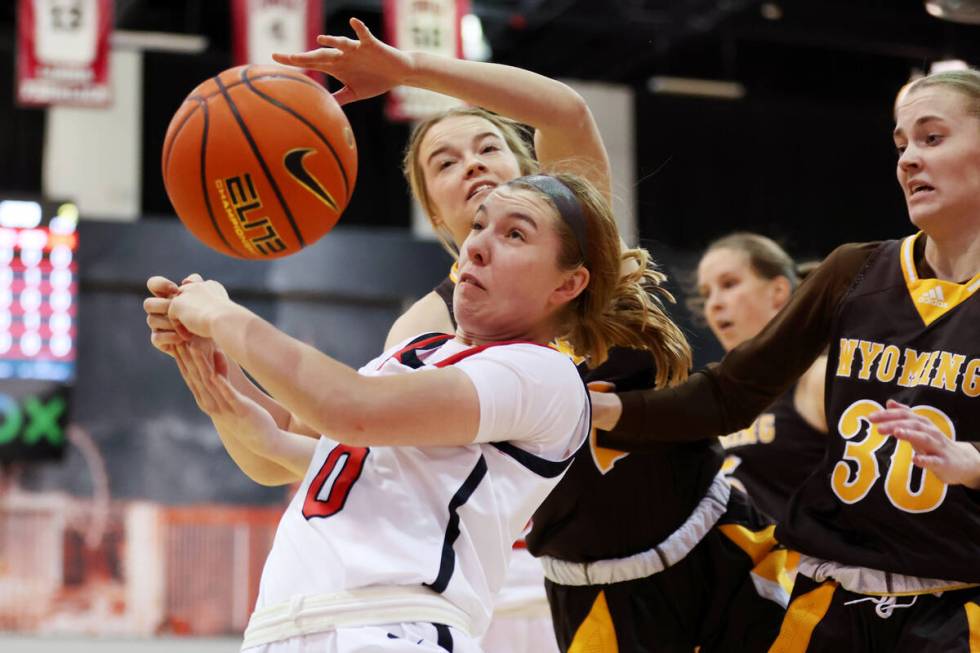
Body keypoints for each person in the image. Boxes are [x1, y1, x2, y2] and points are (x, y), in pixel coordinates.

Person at [148, 172, 690, 653]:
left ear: (567, 284)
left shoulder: (541, 375)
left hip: (394, 627)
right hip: (281, 625)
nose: (476, 247)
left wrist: (223, 316)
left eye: (515, 234)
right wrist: (215, 374)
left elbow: (348, 409)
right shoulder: (416, 352)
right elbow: (285, 446)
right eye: (480, 225)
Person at [591, 69, 980, 652]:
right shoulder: (854, 271)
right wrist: (600, 409)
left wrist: (972, 462)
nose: (907, 161)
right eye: (900, 145)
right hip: (829, 602)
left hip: (957, 609)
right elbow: (729, 393)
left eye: (931, 138)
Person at [695, 233, 827, 524]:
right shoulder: (716, 394)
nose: (714, 304)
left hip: (806, 565)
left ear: (778, 291)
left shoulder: (816, 377)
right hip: (739, 566)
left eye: (729, 284)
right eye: (706, 294)